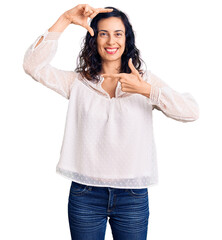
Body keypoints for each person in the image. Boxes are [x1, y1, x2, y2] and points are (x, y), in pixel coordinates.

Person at [23, 4, 199, 240]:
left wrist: (148, 91)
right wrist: (65, 19)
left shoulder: (144, 81)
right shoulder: (78, 82)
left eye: (118, 33)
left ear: (127, 38)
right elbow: (33, 66)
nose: (111, 41)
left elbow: (191, 112)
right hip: (85, 194)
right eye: (103, 33)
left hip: (132, 196)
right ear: (93, 38)